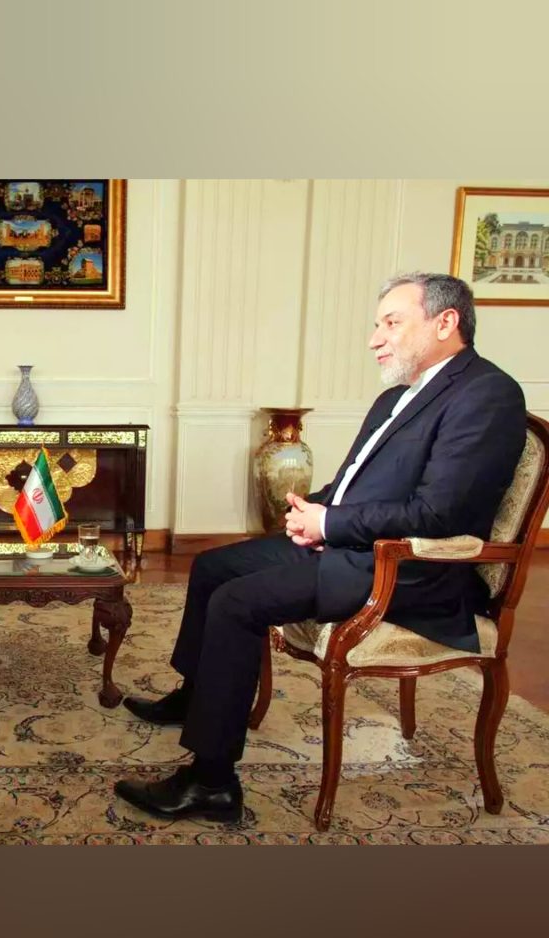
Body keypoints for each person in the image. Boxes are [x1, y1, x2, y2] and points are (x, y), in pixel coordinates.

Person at [114, 271, 527, 823]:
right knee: (212, 568)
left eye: (391, 323)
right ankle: (197, 697)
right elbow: (357, 483)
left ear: (445, 322)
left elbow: (439, 514)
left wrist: (330, 523)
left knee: (237, 603)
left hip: (405, 569)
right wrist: (311, 510)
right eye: (377, 325)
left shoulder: (488, 394)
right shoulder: (397, 396)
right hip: (352, 545)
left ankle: (211, 784)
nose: (375, 339)